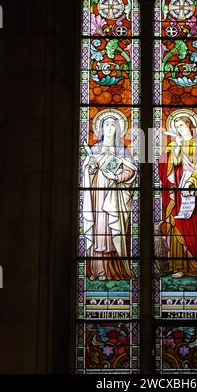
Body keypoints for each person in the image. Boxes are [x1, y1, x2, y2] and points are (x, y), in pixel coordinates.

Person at [83, 112, 137, 280]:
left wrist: (118, 177)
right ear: (101, 128)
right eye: (106, 125)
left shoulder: (122, 150)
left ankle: (112, 270)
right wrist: (91, 167)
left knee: (111, 227)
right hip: (97, 193)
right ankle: (97, 270)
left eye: (113, 125)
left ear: (118, 129)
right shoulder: (95, 149)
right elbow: (88, 172)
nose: (109, 128)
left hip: (114, 194)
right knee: (99, 227)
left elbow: (131, 170)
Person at [158, 113, 197, 280]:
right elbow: (166, 166)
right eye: (176, 126)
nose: (178, 129)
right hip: (177, 192)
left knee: (194, 229)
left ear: (190, 126)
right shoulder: (175, 144)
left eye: (181, 125)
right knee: (176, 226)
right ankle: (179, 265)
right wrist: (175, 147)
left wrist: (193, 181)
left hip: (192, 193)